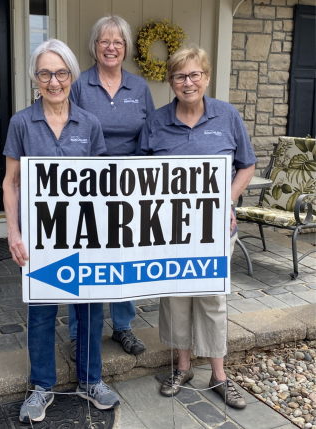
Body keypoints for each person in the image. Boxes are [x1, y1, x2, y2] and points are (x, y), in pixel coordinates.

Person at [2, 39, 120, 424]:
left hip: (84, 235)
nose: (54, 82)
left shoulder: (89, 123)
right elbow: (12, 182)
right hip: (39, 237)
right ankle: (42, 386)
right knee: (41, 312)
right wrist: (13, 232)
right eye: (45, 73)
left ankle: (90, 380)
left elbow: (104, 183)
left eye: (61, 73)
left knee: (89, 310)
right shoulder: (22, 121)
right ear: (36, 79)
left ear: (71, 75)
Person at [137, 44, 256, 408]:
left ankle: (219, 375)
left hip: (215, 229)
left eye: (194, 75)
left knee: (212, 299)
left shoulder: (227, 115)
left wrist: (229, 199)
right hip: (170, 230)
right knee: (175, 298)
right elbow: (140, 174)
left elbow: (246, 165)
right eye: (179, 76)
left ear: (205, 77)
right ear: (171, 81)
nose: (187, 82)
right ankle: (183, 367)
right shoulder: (156, 121)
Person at [68, 15, 155, 360]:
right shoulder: (79, 85)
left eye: (117, 42)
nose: (111, 47)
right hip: (87, 186)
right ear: (94, 46)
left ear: (126, 48)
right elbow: (70, 131)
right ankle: (80, 334)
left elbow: (149, 136)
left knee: (123, 255)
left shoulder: (140, 88)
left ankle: (123, 326)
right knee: (85, 256)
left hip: (128, 187)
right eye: (104, 41)